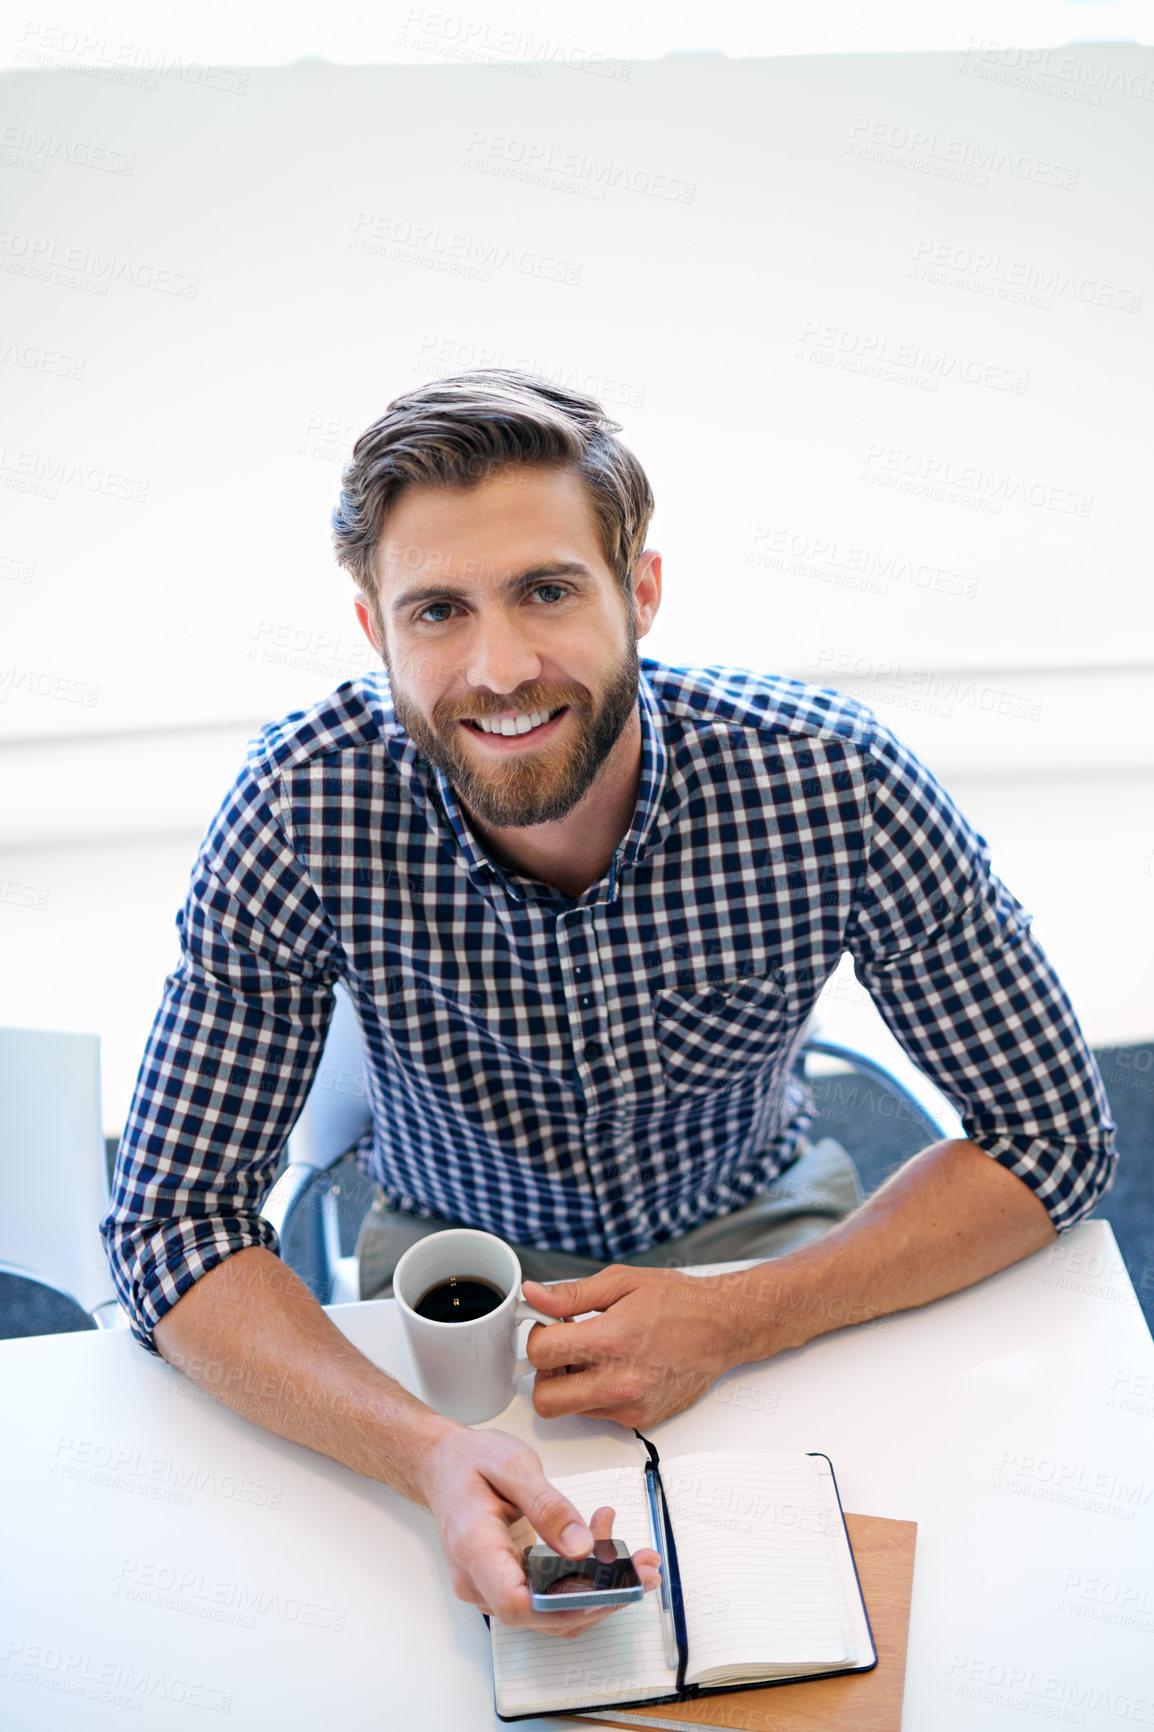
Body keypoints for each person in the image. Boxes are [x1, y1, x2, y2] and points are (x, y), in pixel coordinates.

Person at [101, 369, 1115, 1639]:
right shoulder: (301, 805)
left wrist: (748, 1312)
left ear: (637, 590)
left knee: (858, 1608)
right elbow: (169, 1225)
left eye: (545, 589)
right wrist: (418, 1450)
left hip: (757, 1223)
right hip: (446, 1247)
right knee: (400, 1634)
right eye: (436, 611)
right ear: (375, 633)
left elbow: (1055, 1139)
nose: (498, 668)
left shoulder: (833, 780)